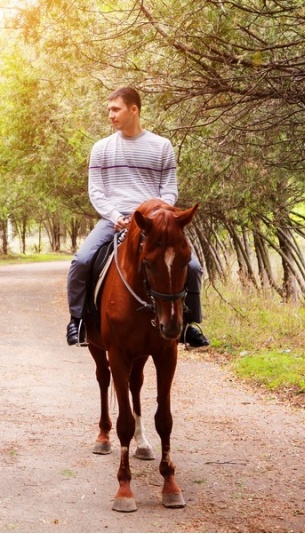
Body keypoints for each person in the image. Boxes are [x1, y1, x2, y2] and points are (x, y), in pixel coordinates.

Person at [65, 87, 210, 349]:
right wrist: (114, 215)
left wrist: (157, 214)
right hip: (114, 220)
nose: (110, 115)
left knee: (193, 267)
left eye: (115, 109)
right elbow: (96, 190)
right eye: (109, 110)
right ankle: (78, 320)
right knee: (81, 261)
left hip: (154, 223)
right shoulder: (101, 148)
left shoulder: (161, 146)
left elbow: (170, 189)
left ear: (134, 109)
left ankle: (190, 325)